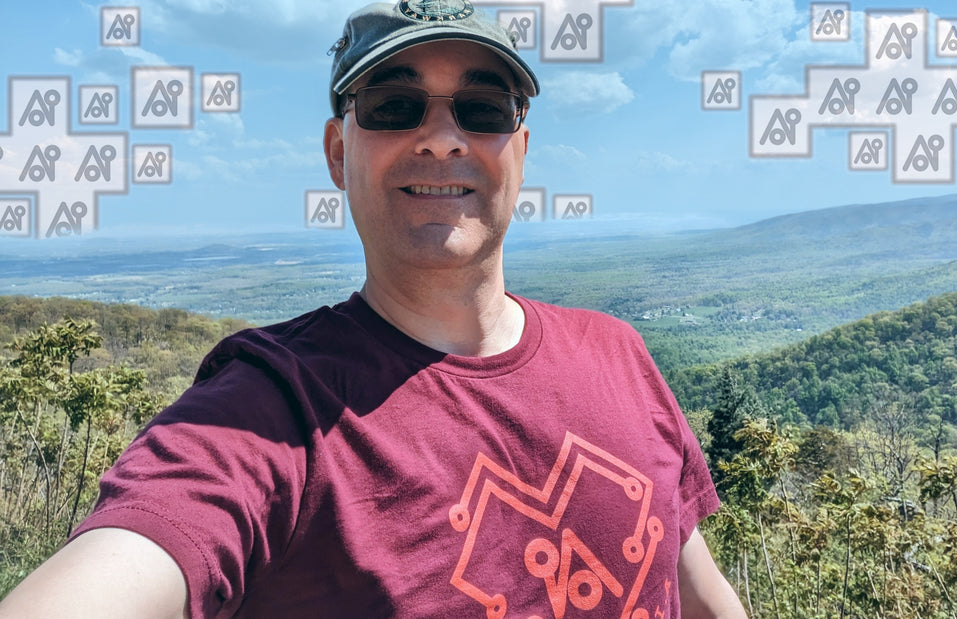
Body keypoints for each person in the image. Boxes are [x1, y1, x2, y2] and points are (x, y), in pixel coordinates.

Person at [0, 2, 747, 617]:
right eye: (395, 105)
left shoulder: (619, 354)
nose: (442, 137)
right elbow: (134, 554)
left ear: (519, 148)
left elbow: (696, 591)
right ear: (336, 151)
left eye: (482, 107)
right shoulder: (269, 409)